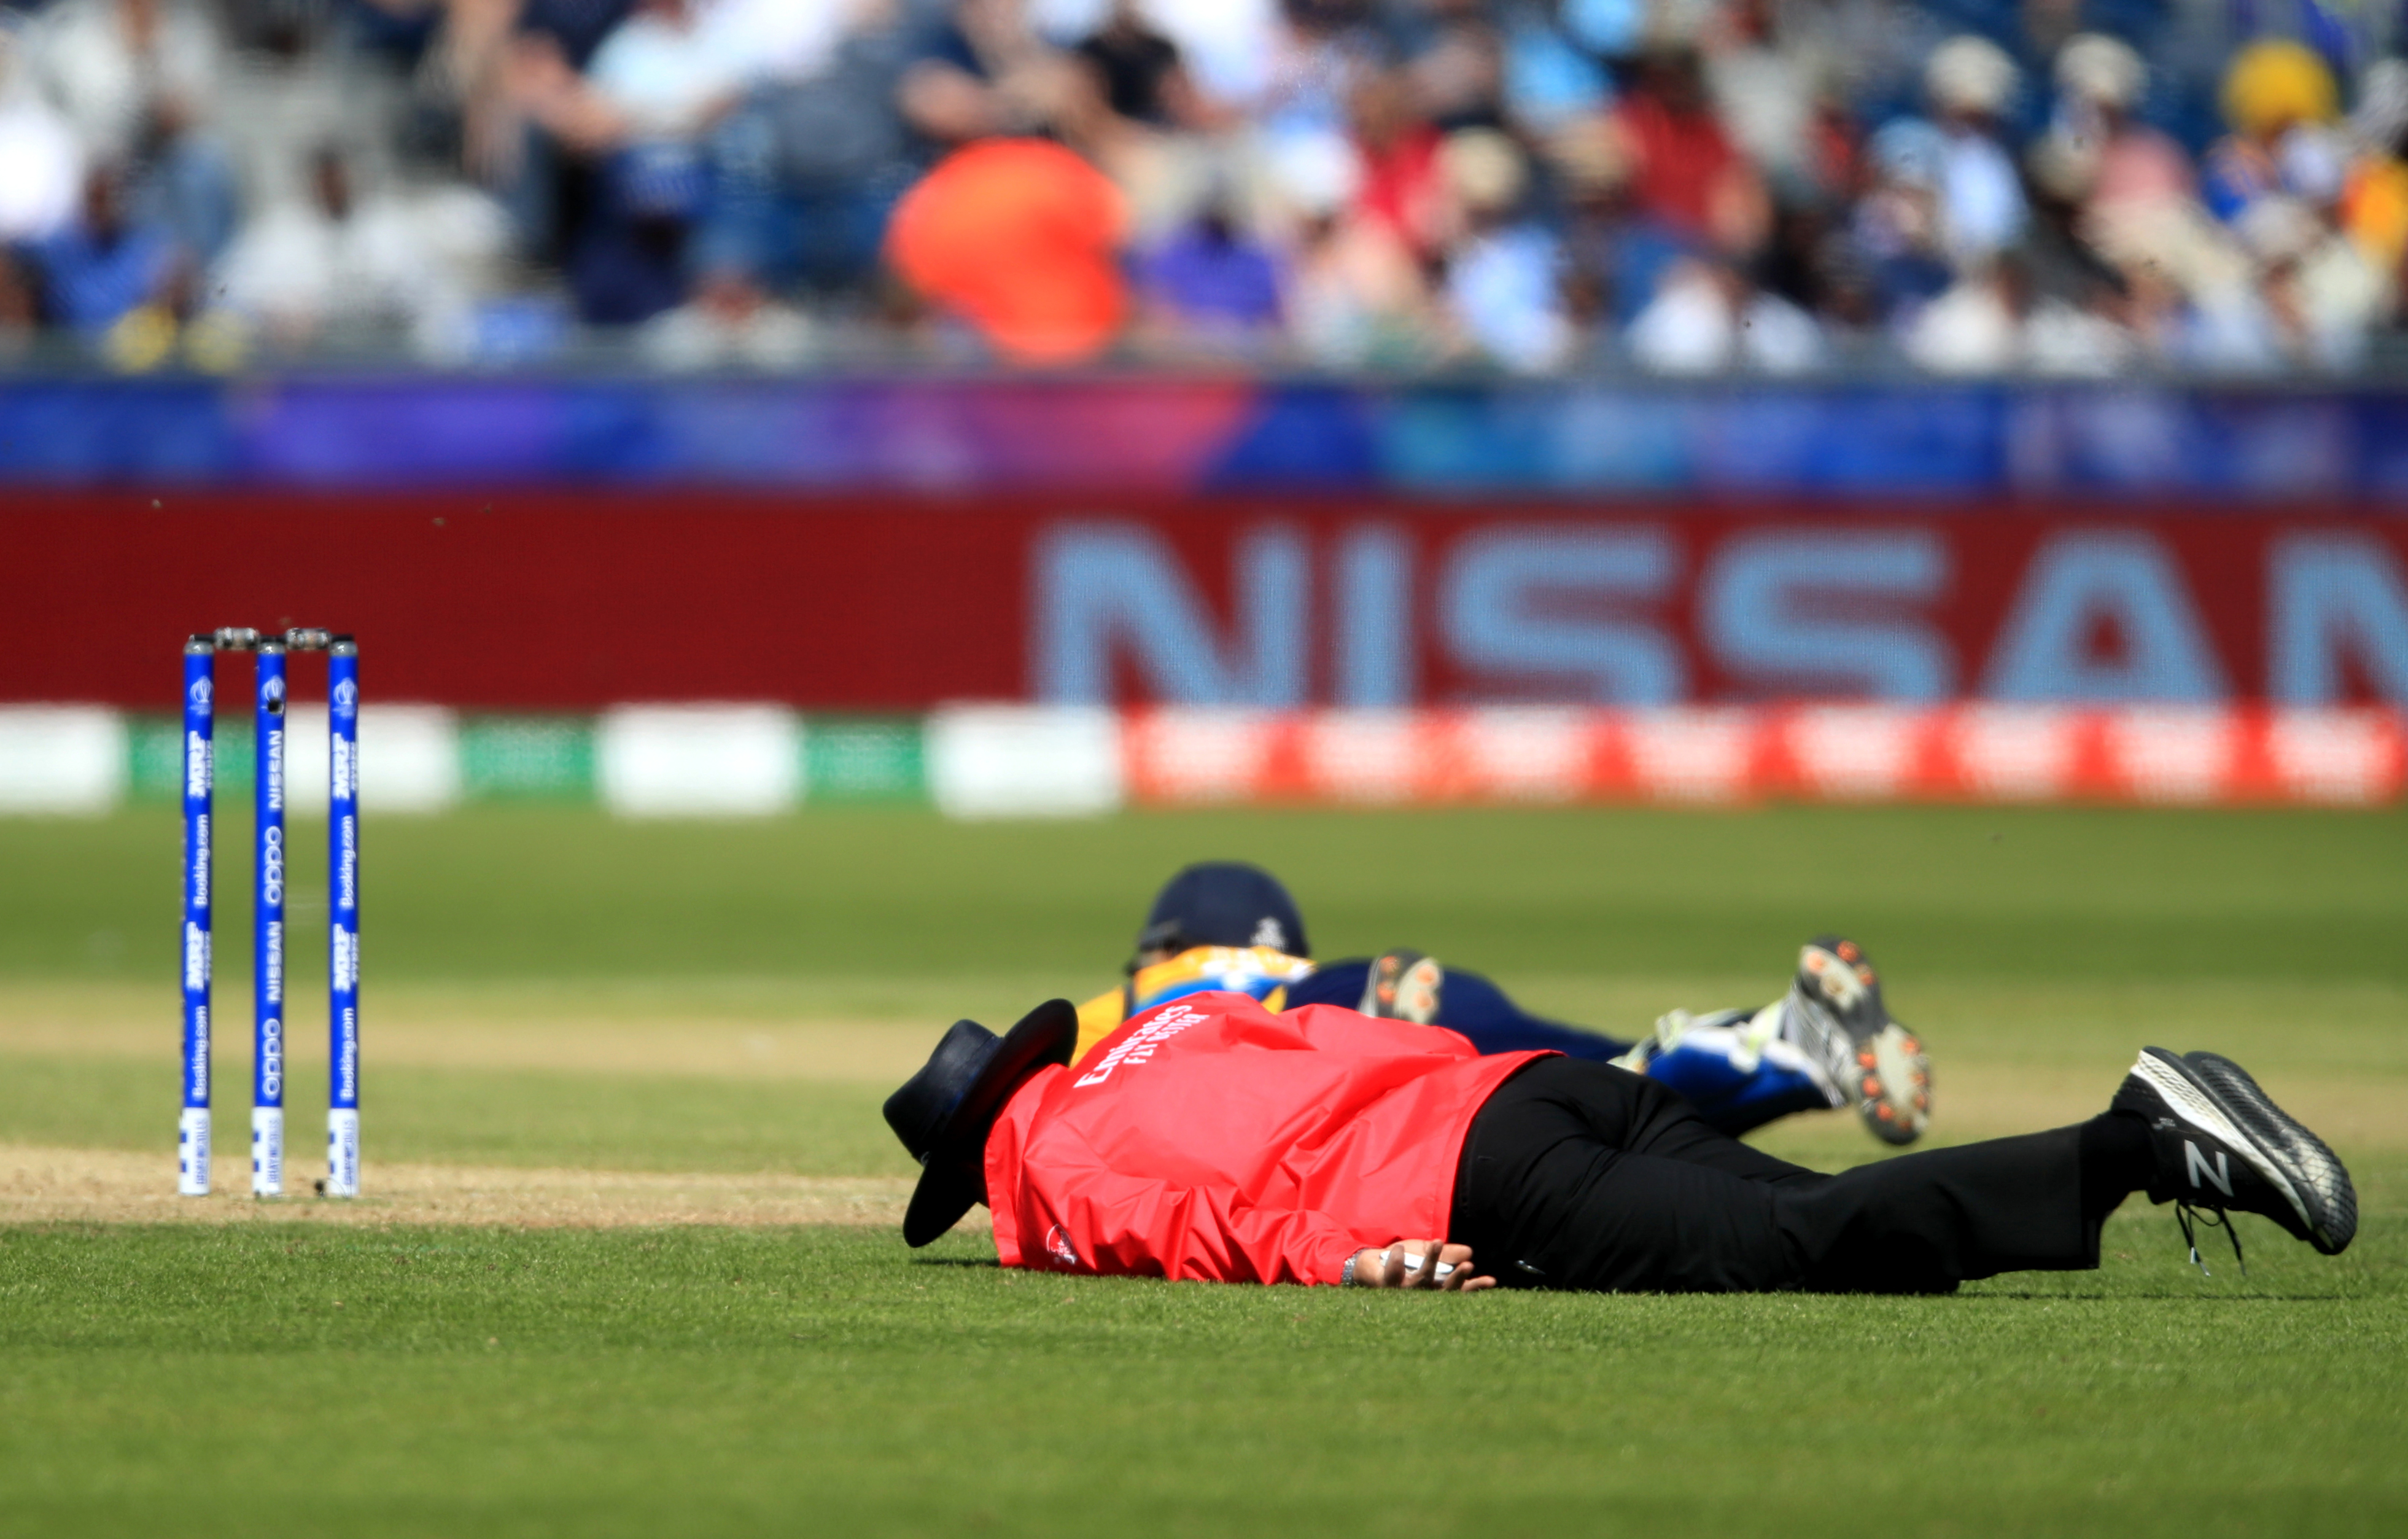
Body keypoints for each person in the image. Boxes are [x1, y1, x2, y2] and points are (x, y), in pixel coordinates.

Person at [883, 992, 2356, 1293]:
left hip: (1470, 1179)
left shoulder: (1044, 1178)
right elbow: (1360, 1033)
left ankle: (2143, 1138)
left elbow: (1198, 1233)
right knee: (1849, 1224)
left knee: (1804, 1248)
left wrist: (1360, 1259)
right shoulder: (1178, 1020)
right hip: (1532, 1089)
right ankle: (2141, 1140)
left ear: (965, 1162)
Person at [1071, 862, 1932, 1146]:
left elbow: (1048, 1053)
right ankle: (1783, 1038)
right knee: (1612, 1078)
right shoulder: (1276, 962)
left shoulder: (1163, 984)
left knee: (1597, 1105)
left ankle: (1777, 1048)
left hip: (1339, 1016)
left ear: (1169, 941)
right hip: (1407, 989)